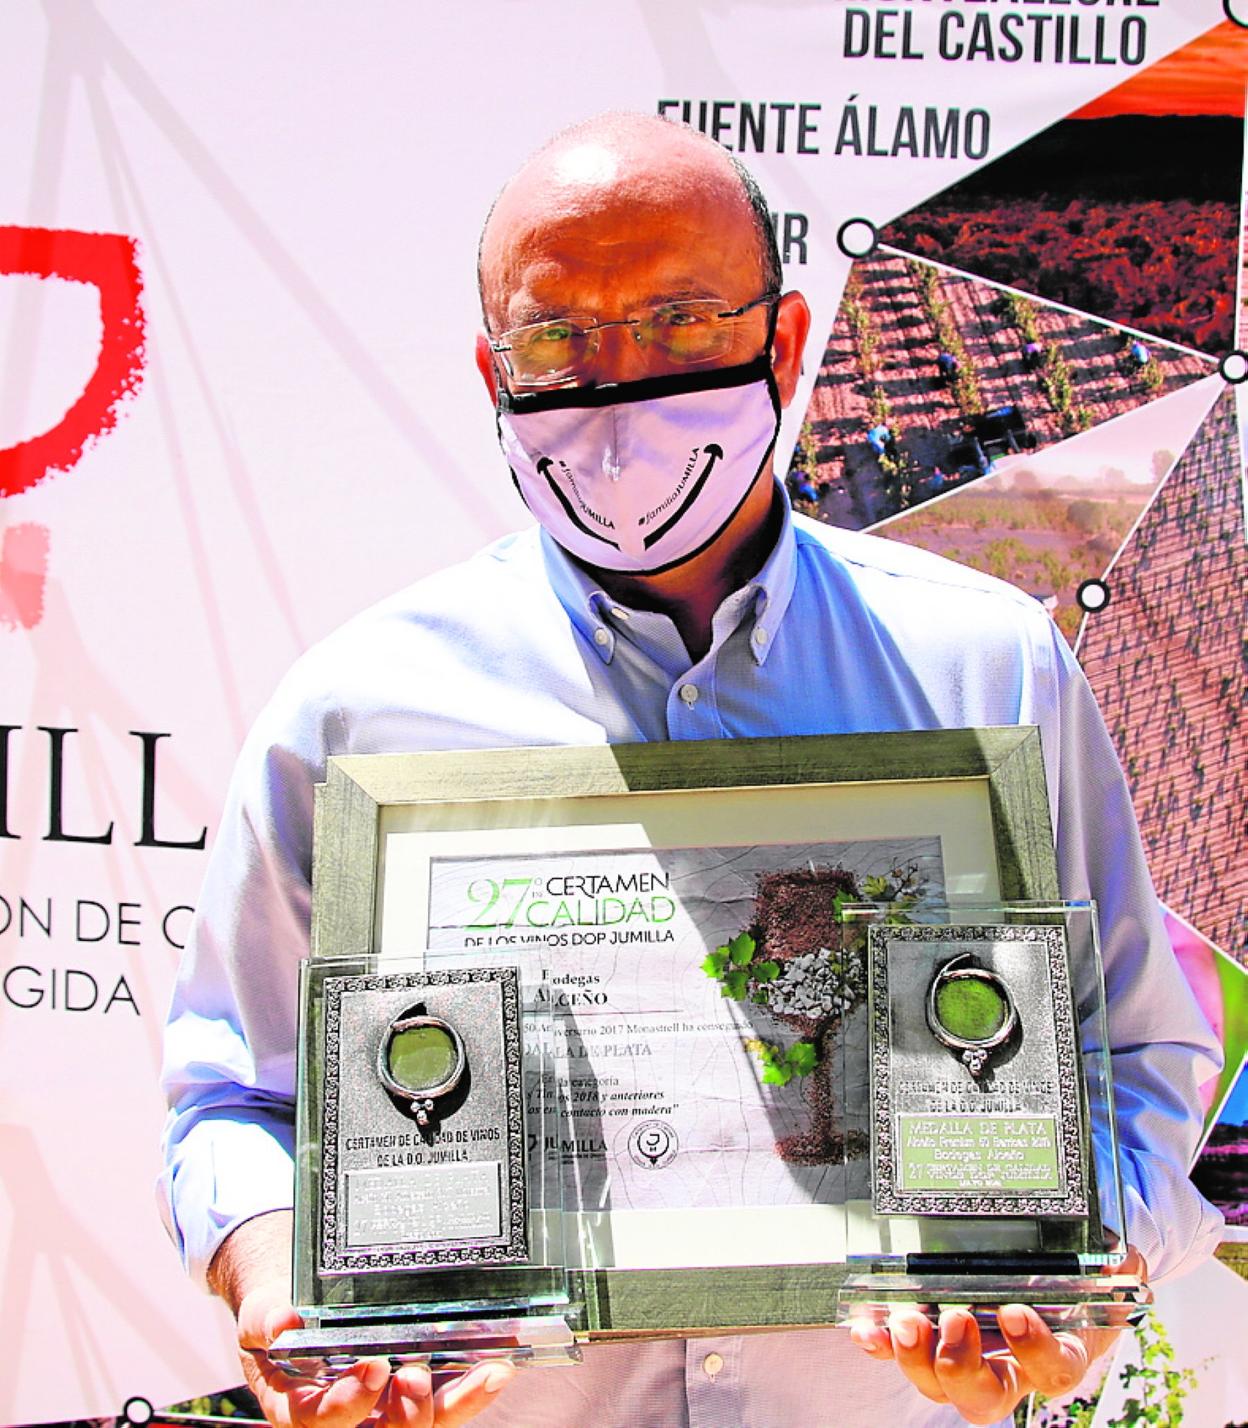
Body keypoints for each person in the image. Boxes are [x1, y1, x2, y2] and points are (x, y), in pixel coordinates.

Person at [159, 112, 1222, 1428]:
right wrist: (275, 1274)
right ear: (492, 371)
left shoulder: (985, 670)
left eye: (678, 320)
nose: (617, 391)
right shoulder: (357, 714)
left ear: (784, 340)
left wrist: (1070, 1273)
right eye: (559, 337)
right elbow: (235, 1099)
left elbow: (1137, 1054)